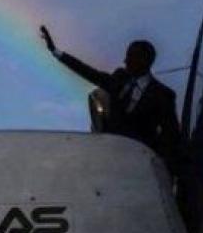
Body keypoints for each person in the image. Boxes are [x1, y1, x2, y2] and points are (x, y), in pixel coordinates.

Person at [40, 25, 182, 172]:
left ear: (144, 61)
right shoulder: (120, 78)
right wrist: (55, 51)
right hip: (109, 159)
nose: (125, 60)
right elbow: (90, 73)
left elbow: (172, 137)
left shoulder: (163, 95)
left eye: (130, 56)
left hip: (138, 166)